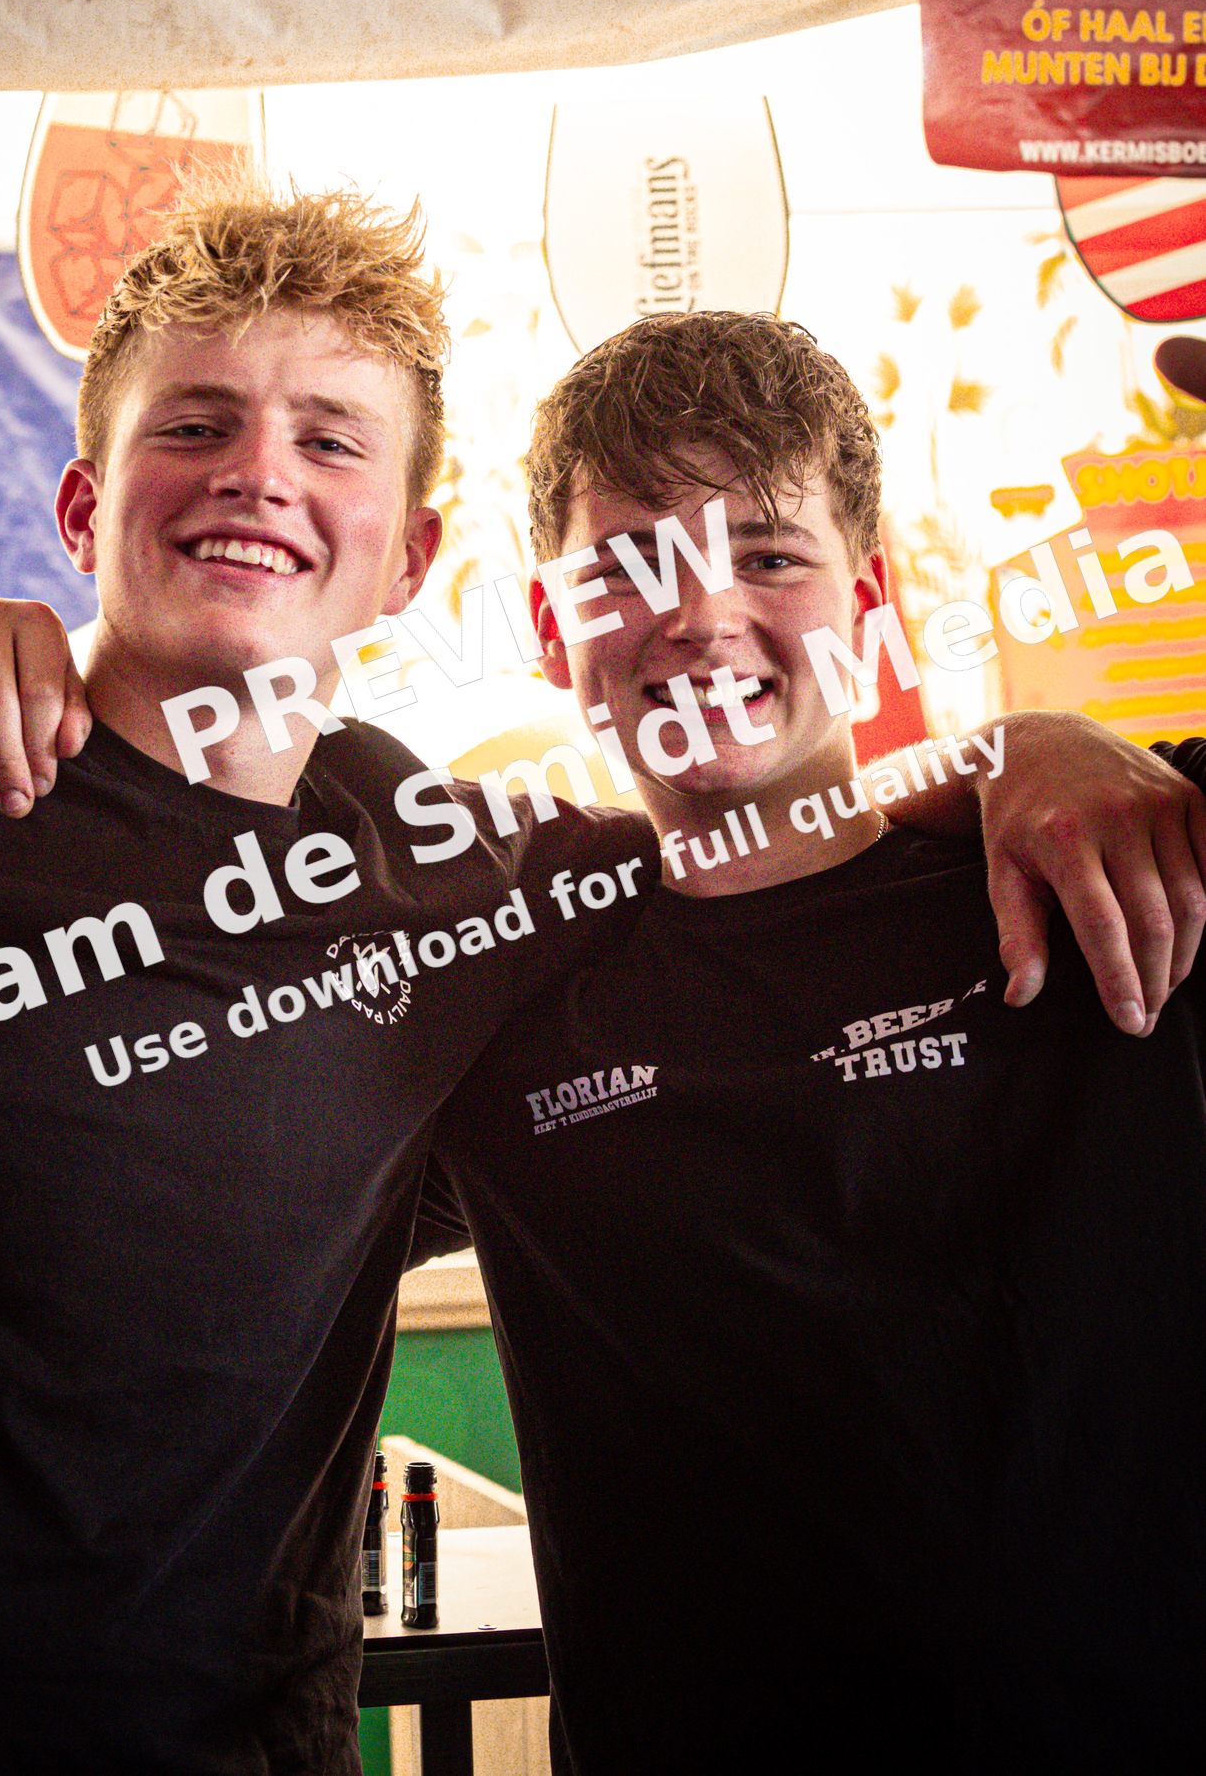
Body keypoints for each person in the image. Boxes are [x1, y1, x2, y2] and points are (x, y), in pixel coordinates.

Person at [0, 180, 636, 1774]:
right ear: (84, 510)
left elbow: (797, 873)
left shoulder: (466, 888)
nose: (259, 472)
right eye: (195, 424)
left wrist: (1041, 756)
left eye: (331, 438)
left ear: (408, 556)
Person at [411, 310, 1206, 1768]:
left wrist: (1034, 740)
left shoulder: (1113, 851)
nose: (702, 613)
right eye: (629, 564)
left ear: (874, 601)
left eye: (769, 553)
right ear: (547, 632)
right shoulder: (494, 994)